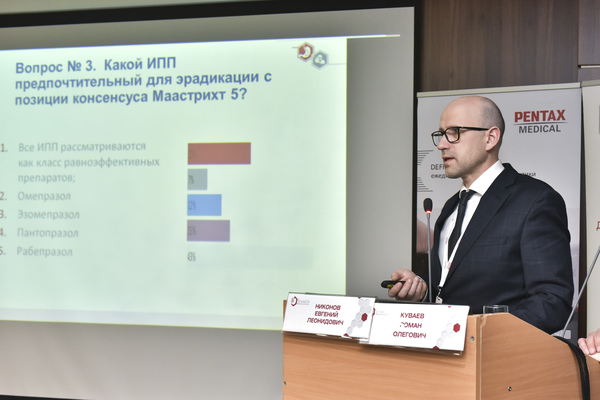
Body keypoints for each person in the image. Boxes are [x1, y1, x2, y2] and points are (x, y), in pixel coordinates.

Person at [388, 95, 574, 334]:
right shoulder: (451, 206)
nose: (441, 144)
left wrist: (481, 335)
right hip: (441, 349)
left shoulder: (535, 200)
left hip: (496, 353)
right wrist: (421, 288)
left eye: (454, 132)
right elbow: (450, 285)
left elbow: (552, 301)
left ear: (490, 138)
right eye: (441, 134)